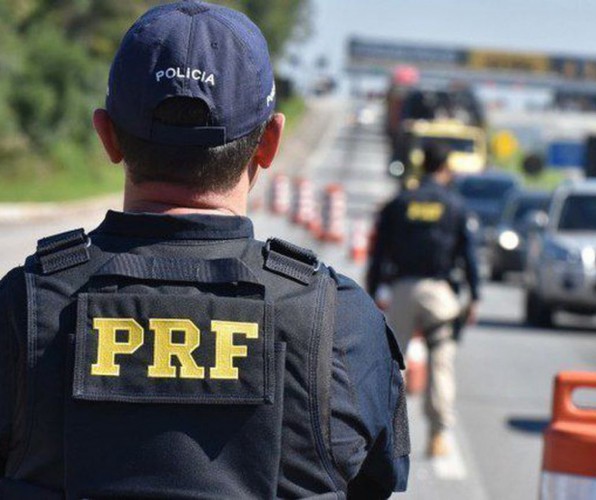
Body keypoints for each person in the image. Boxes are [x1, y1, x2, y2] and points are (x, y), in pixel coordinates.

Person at [0, 2, 409, 498]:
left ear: (107, 135)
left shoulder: (21, 307)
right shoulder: (339, 322)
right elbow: (376, 482)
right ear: (269, 142)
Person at [366, 143, 480, 457]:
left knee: (390, 365)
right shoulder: (455, 206)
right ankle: (438, 435)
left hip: (402, 289)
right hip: (439, 294)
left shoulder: (399, 203)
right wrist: (476, 296)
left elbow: (378, 253)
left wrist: (373, 289)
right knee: (441, 362)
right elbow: (468, 254)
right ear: (445, 168)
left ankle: (380, 435)